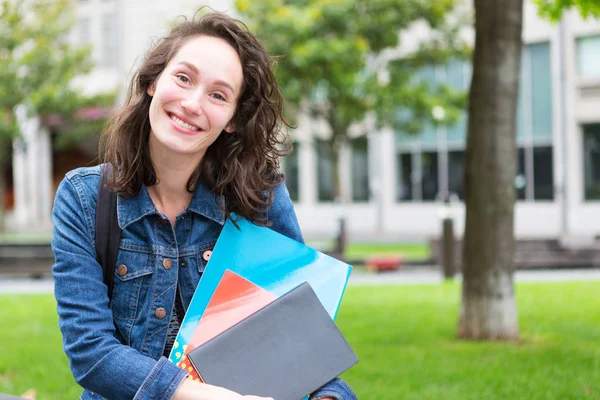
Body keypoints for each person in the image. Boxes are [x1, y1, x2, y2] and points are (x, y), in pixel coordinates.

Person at [51, 10, 357, 400]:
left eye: (218, 95)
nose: (193, 103)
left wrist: (327, 396)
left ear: (232, 119)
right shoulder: (84, 198)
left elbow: (299, 341)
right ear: (152, 83)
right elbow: (92, 355)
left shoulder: (258, 195)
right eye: (183, 78)